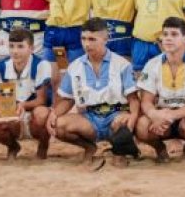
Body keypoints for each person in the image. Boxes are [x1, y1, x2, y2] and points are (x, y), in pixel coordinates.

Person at [48, 18, 140, 167]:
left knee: (122, 123)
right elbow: (68, 99)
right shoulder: (75, 66)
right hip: (90, 118)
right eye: (83, 38)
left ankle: (120, 153)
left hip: (116, 115)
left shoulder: (122, 64)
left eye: (92, 39)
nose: (86, 44)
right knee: (58, 125)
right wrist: (54, 114)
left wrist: (132, 118)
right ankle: (90, 147)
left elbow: (133, 98)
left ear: (105, 39)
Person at [135, 16, 185, 161]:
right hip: (161, 118)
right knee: (142, 125)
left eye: (174, 34)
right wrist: (154, 115)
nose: (168, 38)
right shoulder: (152, 64)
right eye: (165, 34)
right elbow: (146, 101)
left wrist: (170, 115)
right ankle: (160, 149)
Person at [0, 28, 52, 160]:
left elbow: (41, 100)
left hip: (34, 111)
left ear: (31, 48)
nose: (15, 51)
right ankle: (12, 146)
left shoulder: (41, 65)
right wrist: (1, 115)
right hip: (11, 111)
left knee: (42, 113)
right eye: (12, 46)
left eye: (20, 46)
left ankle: (43, 145)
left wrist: (22, 105)